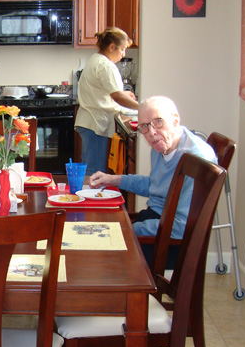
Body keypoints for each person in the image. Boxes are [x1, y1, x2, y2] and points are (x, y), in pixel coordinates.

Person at [87, 96, 216, 245]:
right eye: (145, 126)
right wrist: (114, 179)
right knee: (96, 228)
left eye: (158, 122)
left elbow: (182, 228)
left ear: (175, 120)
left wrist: (133, 229)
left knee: (103, 246)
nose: (152, 132)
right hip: (156, 220)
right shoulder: (161, 144)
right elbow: (155, 185)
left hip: (172, 240)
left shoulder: (197, 159)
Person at [75, 27, 140, 176]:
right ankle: (93, 198)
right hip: (96, 124)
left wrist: (124, 94)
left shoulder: (96, 59)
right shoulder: (106, 65)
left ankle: (88, 197)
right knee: (95, 172)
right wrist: (142, 107)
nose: (123, 54)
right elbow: (117, 97)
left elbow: (103, 90)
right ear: (112, 47)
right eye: (122, 50)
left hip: (89, 122)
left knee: (89, 170)